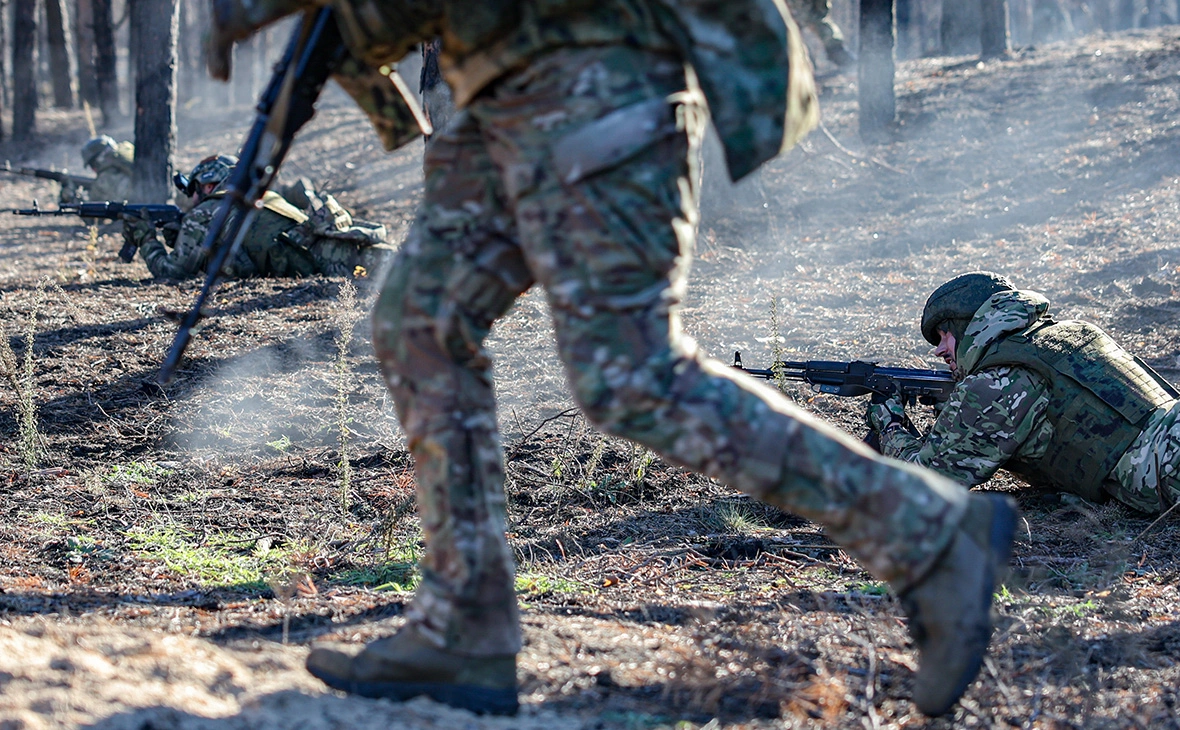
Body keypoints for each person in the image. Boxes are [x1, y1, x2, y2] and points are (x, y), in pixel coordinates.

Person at [207, 0, 1016, 718]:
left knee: (631, 376)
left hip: (599, 78)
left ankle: (928, 534)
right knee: (419, 322)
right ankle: (463, 624)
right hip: (497, 100)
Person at [867, 271, 1180, 515]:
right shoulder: (1072, 333)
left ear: (966, 326)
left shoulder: (995, 384)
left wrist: (890, 427)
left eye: (943, 336)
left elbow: (925, 486)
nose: (938, 351)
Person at [123, 155, 392, 280]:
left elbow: (172, 272)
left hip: (324, 265)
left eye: (194, 190)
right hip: (340, 251)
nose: (192, 200)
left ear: (207, 186)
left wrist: (146, 237)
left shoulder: (206, 211)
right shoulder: (262, 195)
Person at [57, 136, 135, 204]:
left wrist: (72, 197)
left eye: (92, 164)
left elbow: (92, 218)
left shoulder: (105, 177)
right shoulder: (126, 161)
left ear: (98, 160)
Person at [788, 0, 854, 69]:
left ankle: (838, 54)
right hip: (787, 15)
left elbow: (822, 11)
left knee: (825, 31)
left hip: (808, 14)